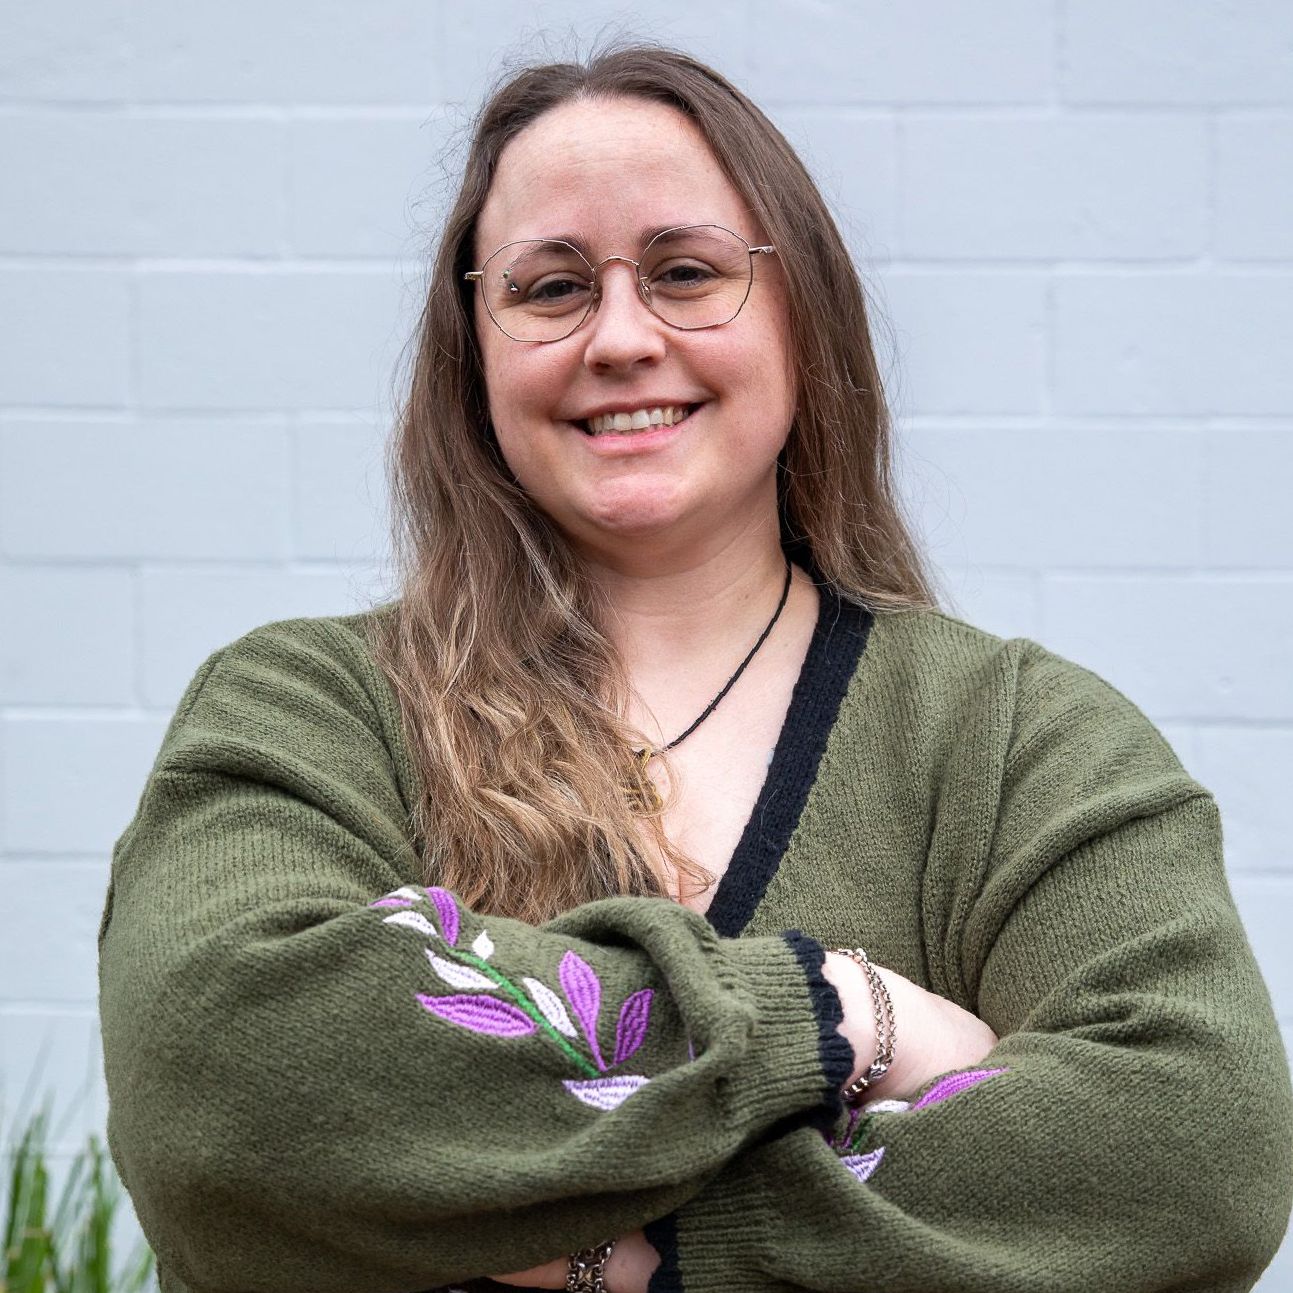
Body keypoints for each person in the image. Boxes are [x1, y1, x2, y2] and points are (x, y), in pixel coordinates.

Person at [98, 44, 1292, 1293]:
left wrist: (642, 1255)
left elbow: (1197, 1150)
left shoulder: (1017, 742)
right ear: (474, 351)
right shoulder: (309, 712)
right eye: (551, 287)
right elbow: (223, 1076)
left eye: (685, 272)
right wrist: (837, 1017)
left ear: (802, 315)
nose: (621, 336)